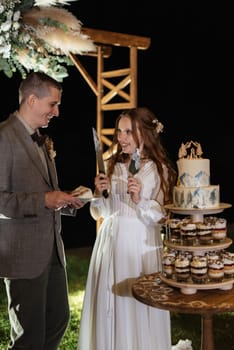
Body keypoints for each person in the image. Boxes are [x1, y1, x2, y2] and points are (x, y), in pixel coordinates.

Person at [77, 107, 177, 350]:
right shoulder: (112, 166)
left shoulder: (158, 168)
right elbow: (101, 213)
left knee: (137, 302)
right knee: (109, 304)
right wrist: (100, 195)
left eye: (128, 132)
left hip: (140, 245)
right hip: (109, 243)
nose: (121, 137)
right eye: (119, 131)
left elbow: (161, 216)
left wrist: (140, 199)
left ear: (144, 133)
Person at [0, 71, 85, 350]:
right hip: (23, 255)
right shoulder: (3, 137)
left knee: (59, 320)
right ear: (33, 100)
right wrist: (44, 200)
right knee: (29, 337)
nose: (57, 112)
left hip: (52, 252)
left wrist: (67, 200)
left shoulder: (40, 140)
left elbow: (46, 194)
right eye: (53, 104)